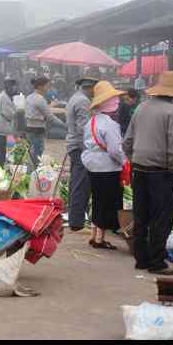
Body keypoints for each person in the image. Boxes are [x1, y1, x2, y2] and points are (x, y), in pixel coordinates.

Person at [123, 71, 173, 275]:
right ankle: (157, 262)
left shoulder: (141, 107)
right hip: (160, 171)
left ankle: (141, 259)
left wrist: (135, 159)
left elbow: (127, 141)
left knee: (141, 214)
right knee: (161, 217)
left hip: (139, 168)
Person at [81, 81, 127, 250]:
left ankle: (94, 236)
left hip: (92, 166)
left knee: (97, 200)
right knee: (107, 203)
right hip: (107, 168)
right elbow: (115, 150)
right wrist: (124, 161)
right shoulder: (111, 124)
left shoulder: (91, 121)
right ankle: (100, 239)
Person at [65, 76, 98, 231]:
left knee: (75, 183)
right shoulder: (83, 101)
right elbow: (83, 128)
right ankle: (77, 222)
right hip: (80, 147)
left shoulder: (75, 98)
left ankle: (74, 217)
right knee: (81, 185)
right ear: (89, 87)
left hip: (74, 145)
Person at [25, 76, 68, 169]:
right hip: (38, 130)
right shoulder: (40, 99)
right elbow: (51, 117)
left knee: (30, 155)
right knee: (37, 155)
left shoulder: (29, 97)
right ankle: (35, 176)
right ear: (41, 87)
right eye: (47, 86)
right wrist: (65, 126)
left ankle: (30, 174)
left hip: (29, 129)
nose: (49, 88)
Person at [0, 78, 18, 165]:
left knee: (0, 149)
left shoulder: (4, 96)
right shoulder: (4, 97)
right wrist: (16, 114)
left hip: (0, 127)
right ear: (9, 87)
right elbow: (7, 113)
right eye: (13, 87)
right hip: (1, 128)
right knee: (0, 149)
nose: (15, 89)